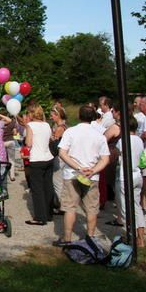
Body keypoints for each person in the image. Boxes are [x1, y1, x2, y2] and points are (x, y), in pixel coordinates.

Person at [53, 105, 110, 246]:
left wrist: (78, 167)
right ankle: (90, 237)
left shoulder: (71, 132)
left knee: (70, 208)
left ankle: (67, 238)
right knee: (91, 209)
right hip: (92, 176)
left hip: (72, 174)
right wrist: (93, 170)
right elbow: (105, 159)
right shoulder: (99, 135)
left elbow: (62, 153)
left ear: (79, 116)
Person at [114, 116, 146, 247]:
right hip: (137, 175)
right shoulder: (139, 140)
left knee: (125, 208)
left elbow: (117, 155)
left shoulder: (122, 141)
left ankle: (130, 236)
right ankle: (141, 238)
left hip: (125, 176)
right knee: (136, 207)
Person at [24, 105, 55, 225]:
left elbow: (29, 143)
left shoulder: (30, 125)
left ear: (31, 114)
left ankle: (40, 217)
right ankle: (48, 214)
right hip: (48, 157)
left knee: (37, 189)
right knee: (48, 186)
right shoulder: (46, 124)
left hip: (37, 159)